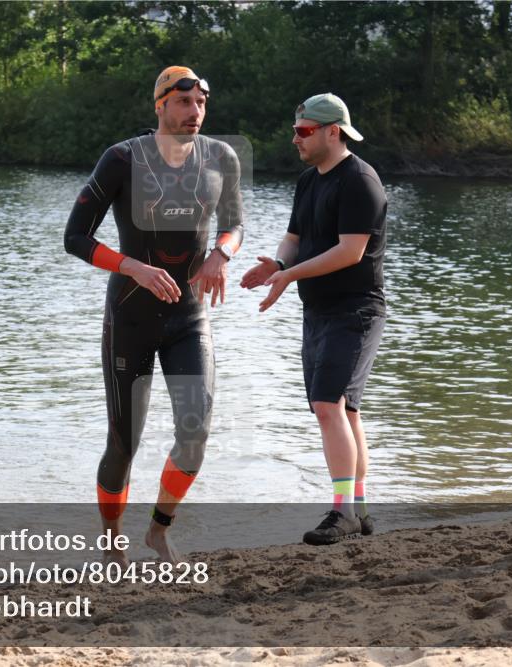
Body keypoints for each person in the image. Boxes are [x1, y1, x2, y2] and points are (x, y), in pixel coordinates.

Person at [64, 66, 243, 563]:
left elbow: (234, 225)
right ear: (160, 105)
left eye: (201, 104)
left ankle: (159, 530)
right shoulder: (122, 159)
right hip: (130, 319)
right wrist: (133, 268)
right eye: (184, 103)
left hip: (189, 319)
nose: (195, 113)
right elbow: (75, 236)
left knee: (195, 431)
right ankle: (111, 539)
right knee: (124, 443)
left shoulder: (220, 158)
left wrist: (222, 255)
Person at [241, 93, 386, 545]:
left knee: (328, 405)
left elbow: (351, 251)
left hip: (356, 309)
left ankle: (342, 511)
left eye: (303, 131)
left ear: (332, 132)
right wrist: (279, 267)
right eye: (295, 130)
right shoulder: (308, 181)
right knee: (344, 410)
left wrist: (291, 276)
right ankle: (358, 510)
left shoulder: (360, 180)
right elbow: (294, 238)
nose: (295, 139)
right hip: (319, 310)